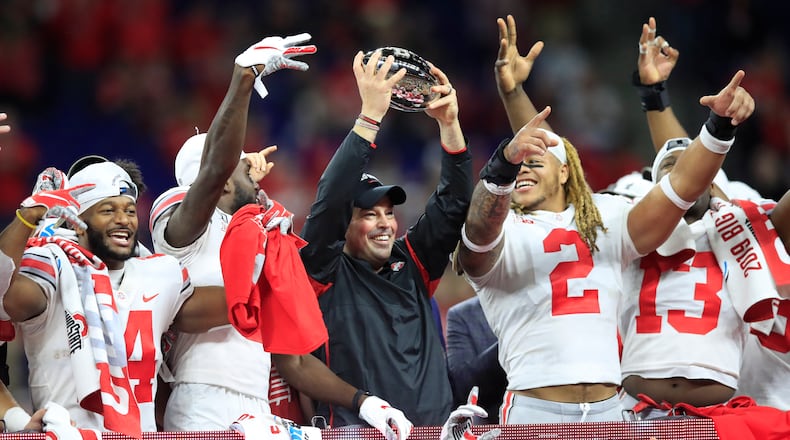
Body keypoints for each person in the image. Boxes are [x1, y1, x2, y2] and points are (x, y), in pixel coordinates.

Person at [454, 14, 753, 424]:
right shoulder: (504, 226)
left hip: (609, 410)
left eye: (534, 162)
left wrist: (718, 127)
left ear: (565, 171)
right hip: (534, 409)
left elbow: (680, 187)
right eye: (515, 164)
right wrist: (502, 165)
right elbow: (477, 236)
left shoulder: (606, 218)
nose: (523, 168)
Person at [149, 34, 411, 439]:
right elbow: (217, 166)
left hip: (255, 404)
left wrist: (364, 401)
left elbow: (295, 361)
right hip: (202, 398)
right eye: (242, 169)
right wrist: (244, 77)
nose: (255, 172)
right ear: (214, 182)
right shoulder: (180, 224)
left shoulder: (254, 231)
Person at [625, 17, 790, 413]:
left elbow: (688, 165)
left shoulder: (744, 216)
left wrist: (655, 94)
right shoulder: (626, 221)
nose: (683, 184)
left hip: (738, 402)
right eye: (670, 180)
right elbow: (679, 171)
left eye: (695, 174)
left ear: (715, 182)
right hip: (636, 408)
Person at [299, 49, 472, 427]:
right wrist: (370, 117)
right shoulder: (321, 272)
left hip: (432, 433)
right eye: (367, 215)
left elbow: (455, 202)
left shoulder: (413, 263)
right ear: (344, 226)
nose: (384, 224)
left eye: (389, 214)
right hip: (360, 433)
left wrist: (449, 125)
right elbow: (329, 202)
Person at [0, 161, 230, 437]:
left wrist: (277, 260)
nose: (123, 219)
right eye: (107, 210)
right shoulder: (55, 262)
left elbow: (239, 305)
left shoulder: (159, 274)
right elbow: (6, 296)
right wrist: (27, 218)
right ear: (79, 222)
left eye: (130, 211)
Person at [445, 296, 506, 424]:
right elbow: (464, 387)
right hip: (490, 417)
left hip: (541, 406)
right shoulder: (461, 315)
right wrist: (510, 341)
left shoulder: (542, 308)